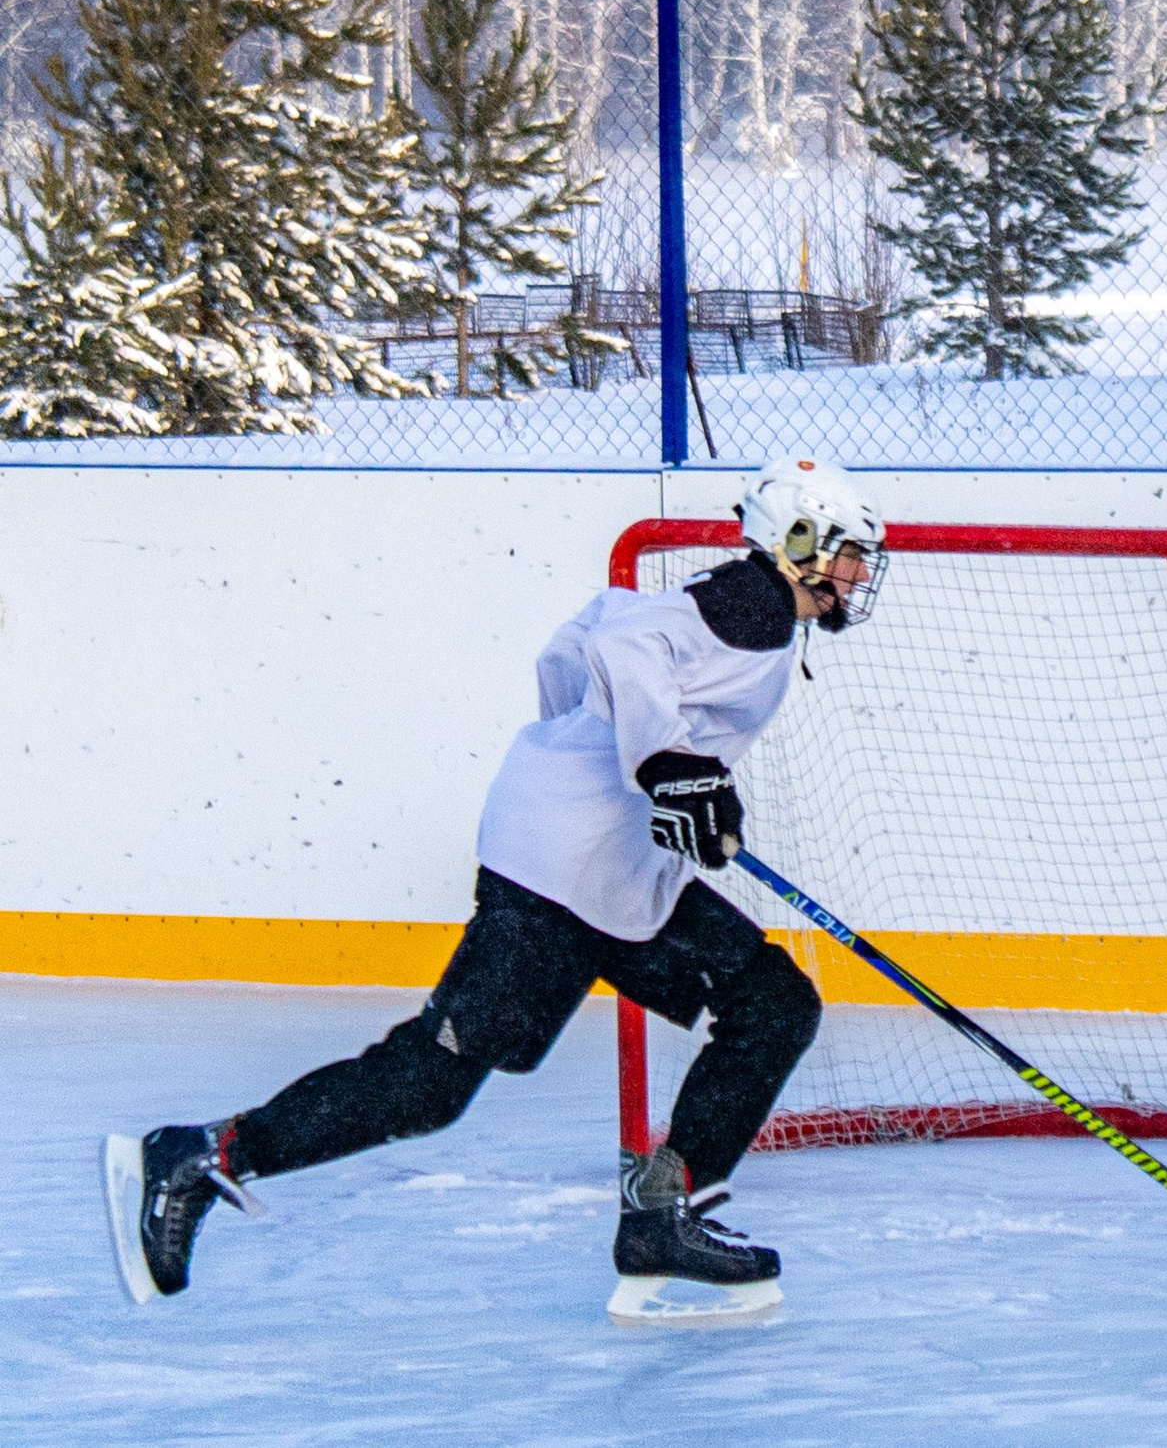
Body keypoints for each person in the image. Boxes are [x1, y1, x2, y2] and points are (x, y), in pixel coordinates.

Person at [104, 458, 888, 1326]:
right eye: (850, 552)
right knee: (424, 1088)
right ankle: (200, 1153)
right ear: (799, 542)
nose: (858, 572)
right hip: (560, 872)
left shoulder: (752, 607)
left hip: (618, 873)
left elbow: (576, 642)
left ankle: (663, 1214)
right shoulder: (753, 604)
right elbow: (622, 648)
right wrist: (669, 768)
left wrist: (614, 760)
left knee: (773, 1004)